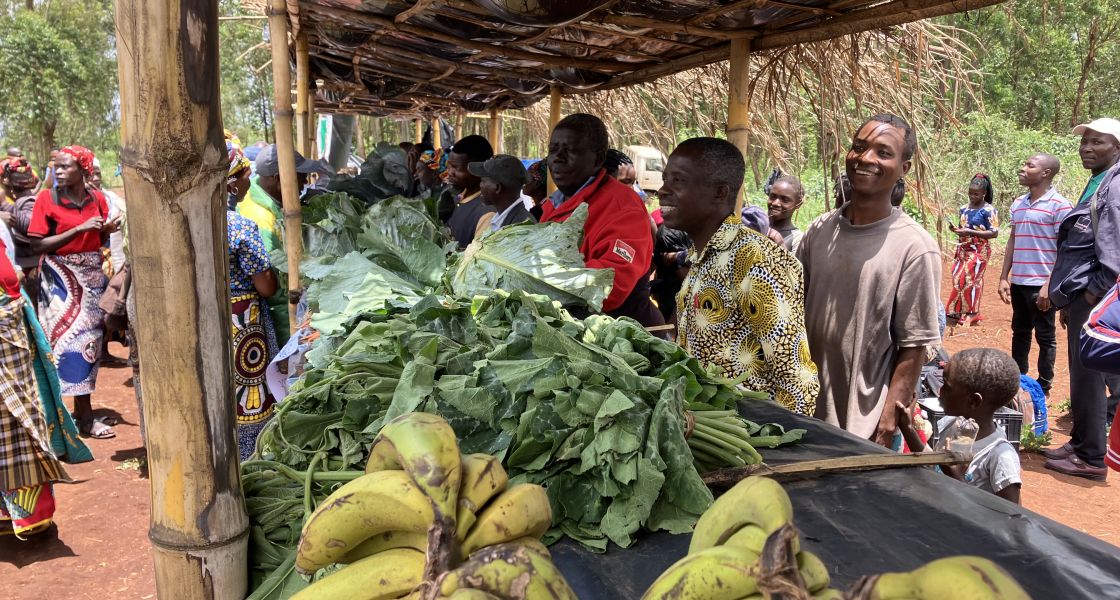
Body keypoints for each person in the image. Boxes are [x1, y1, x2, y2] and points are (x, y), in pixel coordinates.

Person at [797, 114, 941, 446]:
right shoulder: (819, 231)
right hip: (802, 409)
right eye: (858, 147)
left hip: (862, 423)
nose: (865, 159)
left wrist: (888, 420)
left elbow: (914, 346)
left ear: (904, 167)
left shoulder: (915, 248)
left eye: (883, 152)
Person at [660, 137, 818, 415]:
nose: (662, 191)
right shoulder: (702, 257)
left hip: (751, 439)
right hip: (712, 436)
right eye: (665, 180)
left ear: (720, 193)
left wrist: (786, 450)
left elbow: (796, 380)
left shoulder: (756, 259)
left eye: (678, 181)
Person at [1043, 118, 1120, 481]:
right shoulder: (1098, 181)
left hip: (1095, 296)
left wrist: (1091, 295)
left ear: (1116, 147)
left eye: (1097, 142)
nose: (1086, 148)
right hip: (1081, 295)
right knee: (1080, 370)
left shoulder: (1115, 186)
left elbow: (1113, 254)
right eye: (1084, 141)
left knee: (1089, 373)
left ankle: (1091, 457)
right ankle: (1080, 441)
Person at [26, 145, 119, 440]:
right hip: (59, 280)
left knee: (88, 344)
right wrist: (79, 229)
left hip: (90, 276)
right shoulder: (46, 199)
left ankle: (84, 415)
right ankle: (62, 419)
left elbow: (100, 236)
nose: (59, 171)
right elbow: (36, 245)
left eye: (66, 167)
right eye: (58, 167)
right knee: (62, 344)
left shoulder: (97, 199)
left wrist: (107, 229)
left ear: (84, 170)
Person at [540, 113, 663, 328]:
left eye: (570, 150)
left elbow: (608, 284)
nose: (557, 158)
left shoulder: (623, 206)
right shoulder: (554, 204)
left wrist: (537, 281)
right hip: (569, 329)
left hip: (620, 340)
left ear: (597, 159)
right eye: (553, 150)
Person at [895, 349, 1022, 504]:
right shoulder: (952, 425)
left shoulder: (999, 455)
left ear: (974, 401)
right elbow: (931, 463)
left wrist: (956, 477)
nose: (939, 390)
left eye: (947, 387)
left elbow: (1013, 515)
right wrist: (907, 426)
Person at [997, 154, 1069, 398]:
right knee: (1020, 331)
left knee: (1046, 337)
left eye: (1030, 165)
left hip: (1042, 284)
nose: (1023, 168)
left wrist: (1049, 286)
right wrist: (1004, 277)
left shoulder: (1060, 205)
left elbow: (1064, 250)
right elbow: (1013, 240)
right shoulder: (1018, 203)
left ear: (1046, 173)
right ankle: (1018, 381)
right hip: (1019, 282)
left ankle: (1044, 387)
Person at [226, 141, 281, 460]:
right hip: (243, 321)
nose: (250, 183)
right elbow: (266, 287)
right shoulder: (240, 228)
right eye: (246, 177)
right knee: (249, 393)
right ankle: (248, 459)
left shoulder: (185, 225)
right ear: (232, 184)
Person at [945, 174, 999, 327]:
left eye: (976, 193)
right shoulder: (963, 208)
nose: (972, 196)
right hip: (963, 249)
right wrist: (956, 229)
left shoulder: (989, 210)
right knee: (957, 280)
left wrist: (970, 232)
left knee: (968, 280)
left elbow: (994, 233)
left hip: (979, 250)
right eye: (970, 193)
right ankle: (958, 312)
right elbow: (962, 228)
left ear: (984, 193)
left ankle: (972, 313)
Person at [1, 159, 42, 306]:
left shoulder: (26, 202)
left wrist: (4, 205)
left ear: (9, 187)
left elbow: (30, 226)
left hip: (30, 270)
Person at [445, 135, 496, 249]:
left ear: (478, 170)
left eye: (456, 168)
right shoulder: (456, 199)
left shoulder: (487, 214)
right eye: (449, 166)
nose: (450, 173)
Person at [469, 155, 535, 233]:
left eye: (483, 181)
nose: (480, 185)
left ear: (497, 188)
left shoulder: (521, 228)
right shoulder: (506, 219)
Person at [767, 174, 806, 252]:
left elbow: (793, 264)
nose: (775, 203)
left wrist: (780, 245)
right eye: (773, 197)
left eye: (785, 200)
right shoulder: (755, 225)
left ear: (798, 205)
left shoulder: (797, 239)